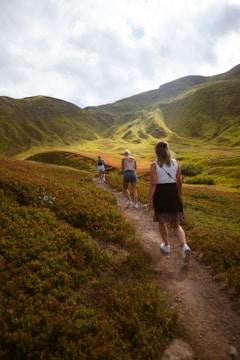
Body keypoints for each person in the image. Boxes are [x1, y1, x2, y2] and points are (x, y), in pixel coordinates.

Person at [147, 140, 191, 262]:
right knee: (176, 224)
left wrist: (149, 200)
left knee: (162, 222)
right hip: (173, 192)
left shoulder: (154, 165)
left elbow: (153, 183)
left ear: (157, 151)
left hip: (161, 194)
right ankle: (184, 245)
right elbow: (179, 180)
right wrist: (180, 192)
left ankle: (166, 246)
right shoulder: (176, 163)